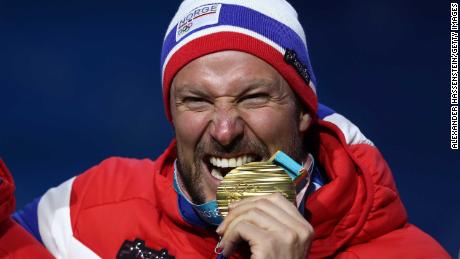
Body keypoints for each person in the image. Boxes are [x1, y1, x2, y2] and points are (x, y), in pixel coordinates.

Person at [4, 0, 450, 258]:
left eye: (253, 97)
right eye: (196, 101)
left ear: (303, 112)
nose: (223, 129)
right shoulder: (88, 213)